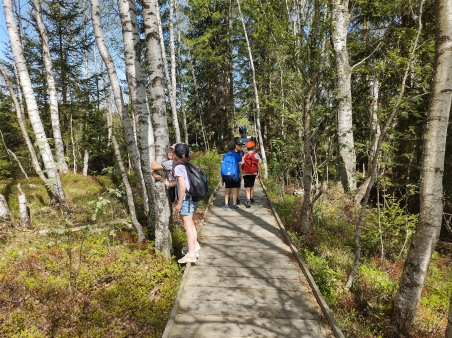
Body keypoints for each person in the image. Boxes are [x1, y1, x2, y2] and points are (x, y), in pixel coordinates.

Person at [173, 143, 200, 263]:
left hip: (186, 199)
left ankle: (191, 254)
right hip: (194, 198)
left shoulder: (179, 167)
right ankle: (195, 248)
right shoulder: (191, 165)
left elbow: (182, 186)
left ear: (175, 155)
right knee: (192, 225)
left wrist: (179, 203)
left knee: (188, 227)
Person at [222, 139, 243, 211]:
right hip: (235, 176)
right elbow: (240, 167)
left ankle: (226, 205)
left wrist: (222, 177)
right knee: (235, 190)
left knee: (227, 190)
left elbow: (222, 166)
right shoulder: (237, 155)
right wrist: (241, 175)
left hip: (226, 175)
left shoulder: (225, 155)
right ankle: (234, 206)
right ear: (235, 146)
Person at [242, 140, 261, 208]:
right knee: (252, 186)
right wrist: (260, 173)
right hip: (253, 173)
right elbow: (258, 165)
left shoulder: (244, 154)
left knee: (247, 187)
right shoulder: (256, 154)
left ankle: (248, 200)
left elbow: (242, 163)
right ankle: (251, 198)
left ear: (247, 148)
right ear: (253, 147)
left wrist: (240, 172)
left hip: (245, 173)